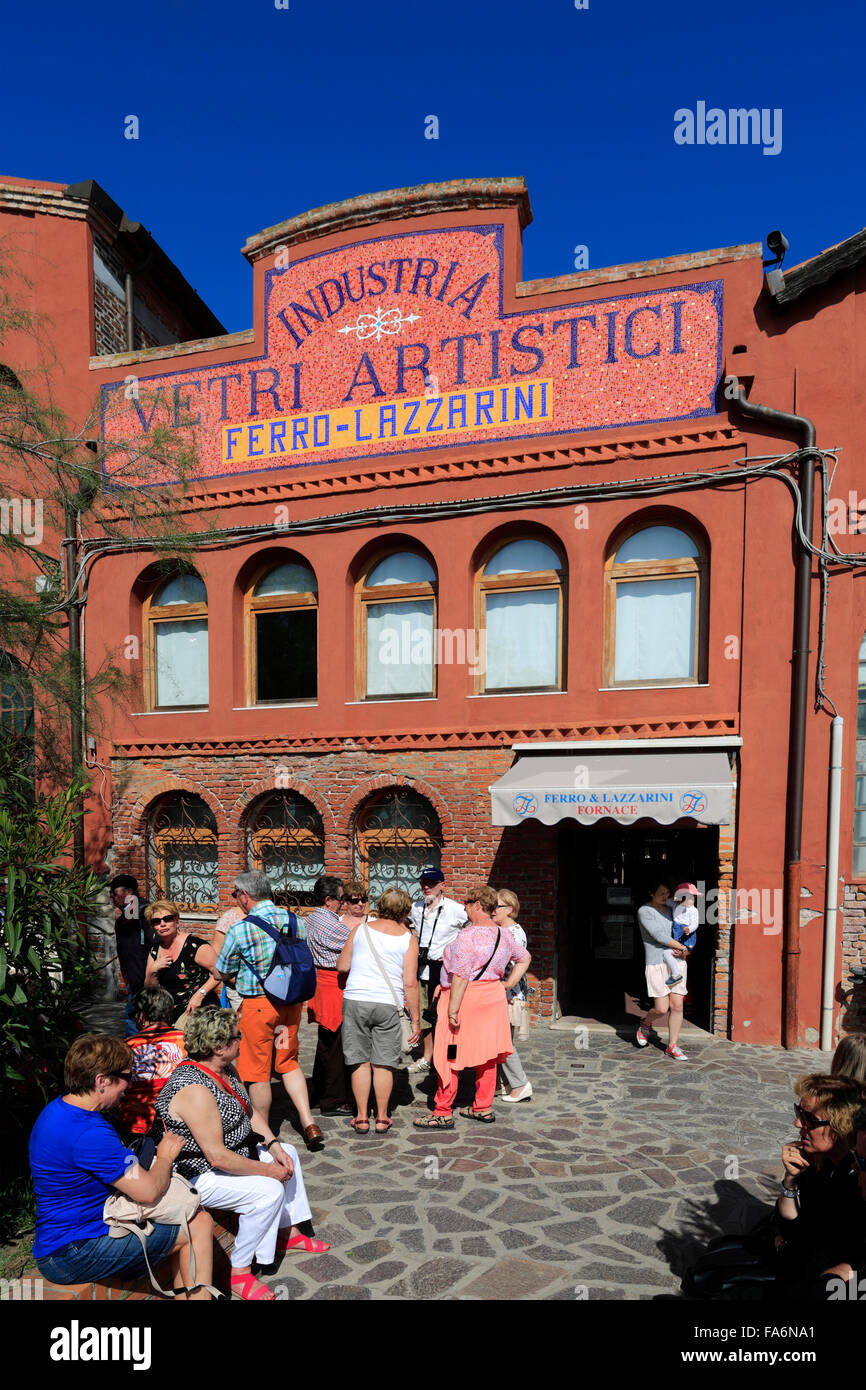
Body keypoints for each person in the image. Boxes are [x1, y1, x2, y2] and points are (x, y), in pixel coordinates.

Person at [156, 1008, 328, 1301]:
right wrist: (268, 1171)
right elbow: (216, 1158)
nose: (242, 1039)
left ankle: (287, 1232)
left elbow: (248, 1113)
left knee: (288, 1153)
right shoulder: (195, 1088)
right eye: (237, 1036)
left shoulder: (224, 1069)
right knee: (268, 1191)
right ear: (219, 1047)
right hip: (200, 1174)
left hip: (231, 1153)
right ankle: (240, 1270)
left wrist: (273, 1144)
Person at [29, 1034, 214, 1299]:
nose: (130, 1084)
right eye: (127, 1076)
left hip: (60, 1240)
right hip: (75, 1251)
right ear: (102, 1081)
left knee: (183, 1221)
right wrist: (165, 1156)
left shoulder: (57, 1110)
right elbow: (148, 1191)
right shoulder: (89, 1133)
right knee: (198, 1223)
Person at [687, 1073, 866, 1299]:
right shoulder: (821, 1161)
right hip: (795, 1258)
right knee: (713, 1258)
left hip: (812, 1278)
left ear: (840, 1125)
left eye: (809, 1118)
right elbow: (789, 1224)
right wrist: (790, 1179)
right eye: (799, 1112)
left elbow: (817, 1246)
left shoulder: (855, 1180)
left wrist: (787, 1242)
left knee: (714, 1281)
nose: (798, 1123)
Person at [213, 870, 323, 1150]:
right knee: (288, 1063)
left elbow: (222, 970)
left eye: (236, 894)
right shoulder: (297, 921)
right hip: (290, 1005)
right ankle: (308, 1122)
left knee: (257, 1071)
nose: (236, 899)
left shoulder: (241, 929)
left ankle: (263, 1133)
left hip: (259, 1007)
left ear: (245, 895)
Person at [414, 884, 530, 1129]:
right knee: (487, 1057)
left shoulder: (468, 935)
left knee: (448, 1055)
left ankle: (443, 1110)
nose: (464, 907)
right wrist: (507, 983)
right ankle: (482, 1107)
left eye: (467, 902)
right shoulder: (503, 933)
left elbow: (461, 976)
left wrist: (453, 1009)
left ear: (478, 905)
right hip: (492, 999)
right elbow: (525, 957)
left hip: (465, 1000)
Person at [336, 887, 421, 1133]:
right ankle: (382, 1117)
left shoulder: (360, 930)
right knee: (384, 1063)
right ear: (404, 911)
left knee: (359, 1061)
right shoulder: (408, 938)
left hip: (356, 999)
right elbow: (410, 983)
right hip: (388, 1003)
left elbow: (342, 965)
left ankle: (362, 1117)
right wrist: (415, 1020)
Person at [407, 866, 467, 1076]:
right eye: (423, 883)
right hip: (422, 969)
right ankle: (427, 1057)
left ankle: (446, 1057)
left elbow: (470, 929)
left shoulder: (455, 908)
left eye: (431, 883)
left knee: (443, 1016)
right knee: (424, 1016)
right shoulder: (416, 907)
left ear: (442, 885)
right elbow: (407, 926)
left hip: (444, 972)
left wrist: (454, 951)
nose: (426, 887)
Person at [305, 875, 353, 1116]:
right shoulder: (330, 924)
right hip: (333, 983)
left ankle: (319, 1092)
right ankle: (333, 1099)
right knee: (334, 1045)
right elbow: (357, 944)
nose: (343, 904)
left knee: (326, 1042)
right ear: (328, 900)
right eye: (341, 899)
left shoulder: (313, 918)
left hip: (322, 983)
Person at [118, 987, 187, 1138]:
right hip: (181, 1123)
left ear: (141, 1015)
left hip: (136, 1125)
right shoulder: (186, 1041)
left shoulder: (126, 1047)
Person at [635, 880, 691, 1060]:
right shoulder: (645, 911)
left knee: (677, 1005)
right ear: (651, 893)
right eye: (661, 894)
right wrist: (681, 946)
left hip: (677, 963)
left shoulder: (673, 910)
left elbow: (685, 930)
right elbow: (659, 936)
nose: (666, 897)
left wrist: (687, 947)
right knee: (661, 1008)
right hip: (656, 963)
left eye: (667, 893)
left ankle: (672, 1046)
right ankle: (646, 1023)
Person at [143, 900, 219, 1020]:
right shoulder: (155, 950)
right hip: (169, 1014)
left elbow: (220, 973)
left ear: (177, 920)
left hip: (198, 1013)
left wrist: (200, 995)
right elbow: (150, 988)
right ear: (152, 926)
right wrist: (153, 970)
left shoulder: (194, 946)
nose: (162, 924)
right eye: (156, 921)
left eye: (167, 919)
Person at [492, 888, 532, 1103]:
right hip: (501, 993)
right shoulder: (499, 929)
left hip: (508, 995)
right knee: (498, 1040)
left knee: (504, 1041)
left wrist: (507, 986)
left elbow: (519, 963)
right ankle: (505, 1083)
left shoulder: (514, 933)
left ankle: (520, 1084)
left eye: (496, 906)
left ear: (509, 909)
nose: (492, 910)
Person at [109, 874, 155, 1038]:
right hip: (134, 980)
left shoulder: (145, 912)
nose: (112, 898)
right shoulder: (127, 917)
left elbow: (141, 948)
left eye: (115, 893)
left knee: (139, 1021)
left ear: (128, 892)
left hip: (145, 979)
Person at [663, 883, 700, 987]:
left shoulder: (693, 910)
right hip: (677, 935)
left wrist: (689, 929)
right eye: (690, 898)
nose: (693, 900)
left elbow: (695, 923)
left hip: (686, 935)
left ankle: (676, 974)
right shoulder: (675, 905)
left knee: (672, 953)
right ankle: (676, 974)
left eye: (694, 898)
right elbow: (666, 901)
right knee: (667, 953)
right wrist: (673, 896)